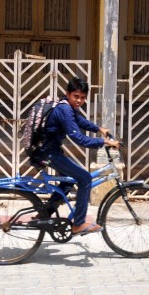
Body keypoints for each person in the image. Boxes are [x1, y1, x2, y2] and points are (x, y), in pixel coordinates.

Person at [41, 76, 119, 236]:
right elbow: (78, 138)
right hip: (48, 153)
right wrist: (104, 141)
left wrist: (99, 128)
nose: (79, 100)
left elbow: (80, 120)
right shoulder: (64, 109)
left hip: (49, 151)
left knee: (68, 181)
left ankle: (44, 214)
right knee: (85, 178)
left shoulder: (66, 106)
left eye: (82, 97)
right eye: (76, 96)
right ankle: (78, 224)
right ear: (67, 94)